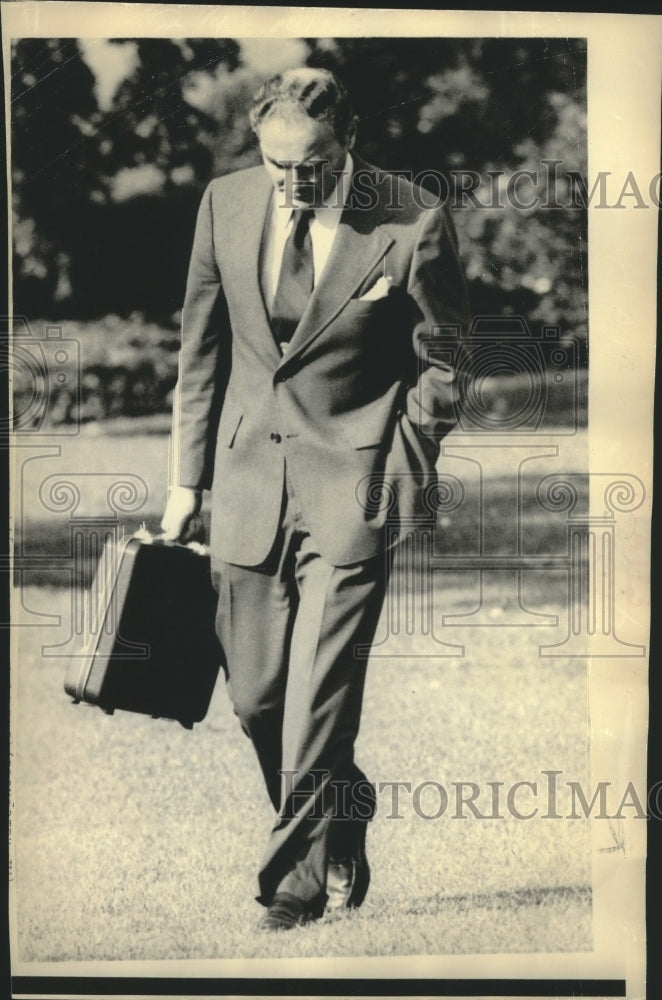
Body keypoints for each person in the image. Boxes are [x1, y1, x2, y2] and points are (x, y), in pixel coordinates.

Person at [161, 67, 470, 931]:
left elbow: (447, 363)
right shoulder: (223, 204)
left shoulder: (412, 217)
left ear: (348, 137)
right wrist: (187, 481)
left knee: (319, 697)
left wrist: (402, 462)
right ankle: (343, 809)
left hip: (355, 493)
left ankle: (292, 887)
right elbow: (201, 354)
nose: (295, 182)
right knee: (260, 698)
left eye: (313, 163)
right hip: (247, 487)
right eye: (278, 163)